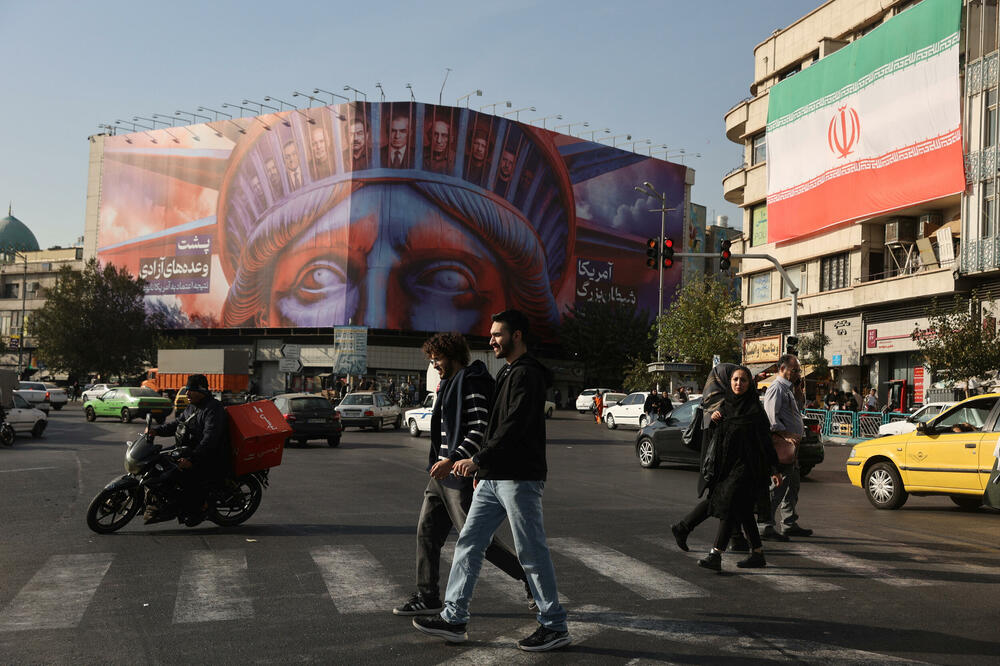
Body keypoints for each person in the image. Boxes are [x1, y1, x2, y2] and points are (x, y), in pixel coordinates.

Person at [412, 309, 570, 652]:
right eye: (491, 334)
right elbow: (494, 428)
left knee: (530, 550)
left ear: (518, 336)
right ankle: (454, 619)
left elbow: (513, 427)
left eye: (498, 334)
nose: (491, 339)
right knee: (469, 542)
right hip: (493, 477)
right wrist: (481, 470)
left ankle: (554, 624)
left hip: (519, 478)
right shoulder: (509, 372)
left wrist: (477, 460)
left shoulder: (526, 375)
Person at [394, 332, 532, 617]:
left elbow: (479, 429)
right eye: (431, 361)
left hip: (459, 475)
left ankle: (530, 579)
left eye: (438, 359)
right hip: (441, 475)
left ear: (454, 356)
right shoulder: (448, 384)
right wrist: (441, 462)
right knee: (427, 532)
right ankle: (428, 595)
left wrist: (454, 459)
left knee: (478, 540)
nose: (435, 365)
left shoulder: (470, 383)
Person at [696, 366, 781, 572]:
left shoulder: (755, 410)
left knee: (729, 506)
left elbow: (765, 443)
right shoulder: (726, 406)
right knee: (742, 511)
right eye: (735, 379)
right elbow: (722, 437)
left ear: (749, 384)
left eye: (743, 380)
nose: (738, 384)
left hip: (749, 468)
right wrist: (716, 420)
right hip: (728, 467)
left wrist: (774, 469)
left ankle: (715, 554)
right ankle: (758, 554)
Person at [670, 364, 750, 554]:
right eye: (733, 377)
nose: (737, 382)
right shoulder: (720, 406)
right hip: (721, 461)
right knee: (720, 499)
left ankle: (736, 538)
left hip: (722, 460)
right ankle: (685, 528)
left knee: (729, 499)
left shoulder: (712, 402)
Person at [146, 374, 230, 527]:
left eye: (191, 390)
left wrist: (192, 460)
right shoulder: (192, 407)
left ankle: (200, 508)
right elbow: (178, 424)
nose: (187, 394)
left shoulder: (213, 409)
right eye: (187, 390)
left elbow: (210, 439)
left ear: (202, 391)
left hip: (210, 455)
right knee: (158, 459)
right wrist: (156, 431)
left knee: (180, 473)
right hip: (190, 448)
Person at [759, 354, 812, 541]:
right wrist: (787, 435)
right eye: (794, 370)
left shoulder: (789, 389)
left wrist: (799, 392)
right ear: (782, 369)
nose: (797, 374)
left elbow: (796, 410)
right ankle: (765, 525)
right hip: (783, 444)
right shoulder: (776, 388)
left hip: (793, 445)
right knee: (779, 485)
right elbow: (771, 420)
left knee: (793, 484)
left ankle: (789, 522)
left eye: (798, 371)